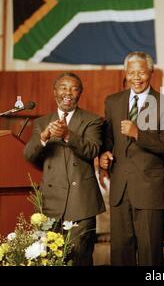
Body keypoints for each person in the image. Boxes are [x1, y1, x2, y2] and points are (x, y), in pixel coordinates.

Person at [100, 51, 164, 266]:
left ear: (151, 73)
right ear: (126, 73)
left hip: (149, 188)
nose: (136, 77)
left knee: (150, 252)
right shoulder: (113, 101)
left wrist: (138, 134)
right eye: (132, 72)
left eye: (141, 72)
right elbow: (108, 138)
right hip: (120, 188)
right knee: (120, 250)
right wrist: (104, 154)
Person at [24, 72, 105, 266]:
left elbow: (92, 150)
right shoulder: (41, 123)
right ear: (55, 92)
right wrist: (44, 137)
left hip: (81, 202)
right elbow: (29, 155)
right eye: (63, 87)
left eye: (74, 88)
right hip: (50, 202)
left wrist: (68, 135)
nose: (68, 92)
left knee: (79, 257)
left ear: (80, 94)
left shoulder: (92, 120)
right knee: (48, 257)